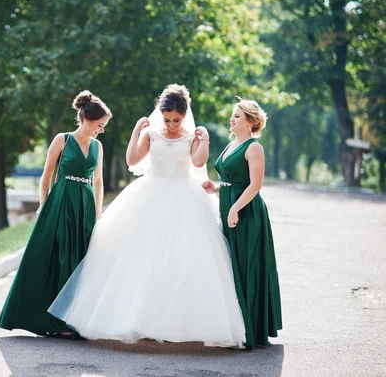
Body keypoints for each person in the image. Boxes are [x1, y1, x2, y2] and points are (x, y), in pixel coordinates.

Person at [48, 84, 245, 347]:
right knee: (144, 257)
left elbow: (198, 163)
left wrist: (205, 139)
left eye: (176, 120)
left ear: (184, 116)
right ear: (160, 115)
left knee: (181, 257)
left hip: (184, 198)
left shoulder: (191, 136)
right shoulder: (151, 134)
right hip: (150, 194)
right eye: (167, 119)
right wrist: (135, 133)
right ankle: (140, 320)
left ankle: (174, 321)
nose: (172, 124)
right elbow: (132, 160)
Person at [0, 90, 112, 337]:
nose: (101, 130)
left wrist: (98, 212)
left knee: (80, 258)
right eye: (100, 125)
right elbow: (47, 175)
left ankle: (72, 320)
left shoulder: (98, 146)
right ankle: (51, 321)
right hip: (60, 201)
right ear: (88, 120)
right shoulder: (62, 139)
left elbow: (99, 180)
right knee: (56, 256)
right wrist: (43, 204)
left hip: (86, 204)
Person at [202, 97, 282, 348]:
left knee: (247, 265)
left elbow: (255, 185)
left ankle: (252, 330)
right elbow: (230, 180)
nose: (232, 119)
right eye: (233, 115)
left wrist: (235, 209)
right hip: (230, 209)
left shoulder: (253, 147)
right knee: (231, 266)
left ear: (250, 122)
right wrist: (214, 188)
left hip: (247, 213)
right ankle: (236, 326)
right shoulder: (230, 144)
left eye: (237, 116)